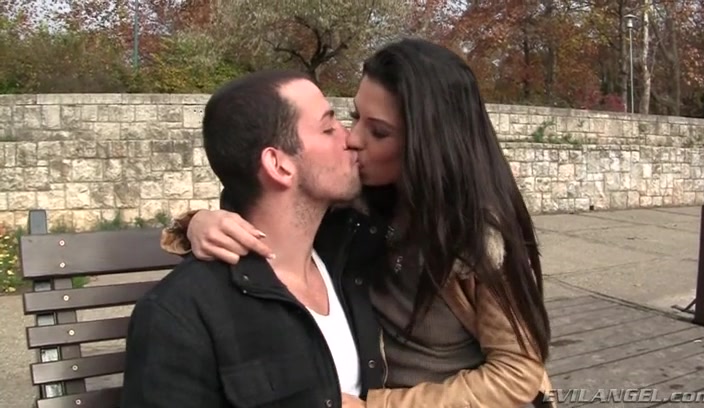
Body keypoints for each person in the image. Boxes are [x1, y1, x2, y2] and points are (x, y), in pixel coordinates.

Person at [161, 38, 555, 408]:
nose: (352, 138)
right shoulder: (358, 206)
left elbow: (518, 372)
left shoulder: (479, 238)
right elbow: (270, 202)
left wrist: (377, 405)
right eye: (355, 117)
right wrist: (199, 222)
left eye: (378, 131)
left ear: (429, 143)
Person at [121, 69, 386, 408]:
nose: (349, 138)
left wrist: (193, 221)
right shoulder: (180, 314)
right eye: (328, 128)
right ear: (279, 165)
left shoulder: (348, 257)